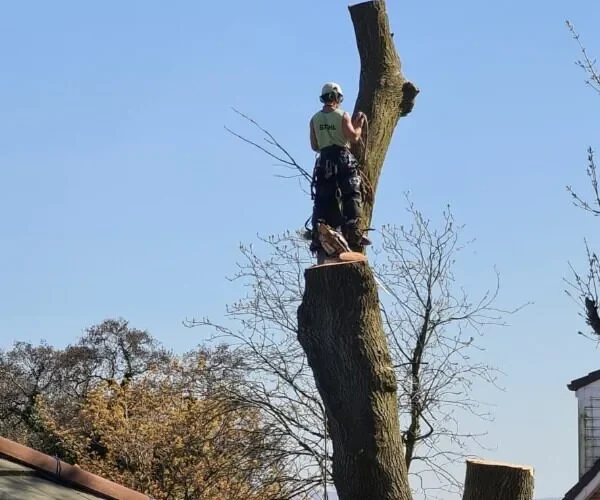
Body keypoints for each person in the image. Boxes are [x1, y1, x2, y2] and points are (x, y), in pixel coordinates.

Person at [309, 82, 370, 253]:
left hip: (324, 162)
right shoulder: (342, 115)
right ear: (337, 97)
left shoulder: (314, 119)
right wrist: (357, 126)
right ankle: (353, 231)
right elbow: (354, 137)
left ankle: (319, 233)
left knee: (323, 198)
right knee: (351, 194)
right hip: (342, 159)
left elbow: (314, 146)